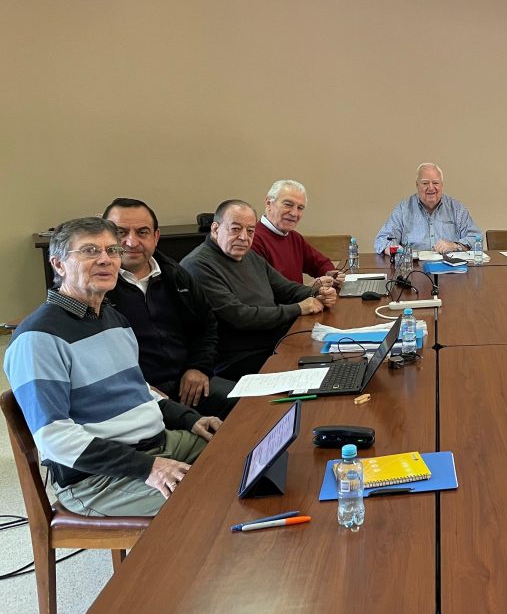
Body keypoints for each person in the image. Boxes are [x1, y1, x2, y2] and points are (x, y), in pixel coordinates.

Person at [4, 217, 221, 516]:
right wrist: (148, 467)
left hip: (155, 444)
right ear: (58, 264)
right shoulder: (37, 339)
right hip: (96, 478)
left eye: (112, 250)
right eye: (90, 251)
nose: (106, 259)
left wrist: (188, 418)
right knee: (211, 501)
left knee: (237, 456)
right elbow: (55, 438)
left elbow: (139, 390)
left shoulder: (112, 318)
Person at [104, 198, 237, 419]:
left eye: (142, 232)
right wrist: (143, 389)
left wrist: (198, 367)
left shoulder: (176, 276)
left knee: (253, 408)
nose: (131, 242)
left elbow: (207, 327)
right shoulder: (97, 289)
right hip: (135, 396)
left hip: (190, 383)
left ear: (156, 237)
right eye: (120, 233)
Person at [181, 200, 336, 380]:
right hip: (240, 358)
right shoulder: (198, 265)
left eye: (250, 231)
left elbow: (285, 289)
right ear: (215, 229)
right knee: (318, 376)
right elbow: (240, 316)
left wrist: (317, 292)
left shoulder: (248, 255)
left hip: (274, 340)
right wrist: (299, 308)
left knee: (337, 361)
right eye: (235, 229)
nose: (244, 238)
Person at [251, 179, 343, 288]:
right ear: (269, 203)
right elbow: (265, 293)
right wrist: (309, 289)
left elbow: (320, 263)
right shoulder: (253, 240)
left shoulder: (294, 237)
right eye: (288, 205)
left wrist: (329, 273)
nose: (294, 213)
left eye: (300, 208)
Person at [373, 163, 481, 254]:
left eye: (435, 183)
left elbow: (477, 238)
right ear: (417, 185)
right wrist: (397, 250)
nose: (431, 188)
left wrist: (454, 245)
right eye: (425, 183)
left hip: (451, 270)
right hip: (413, 270)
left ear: (442, 185)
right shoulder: (403, 209)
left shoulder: (457, 209)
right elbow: (381, 241)